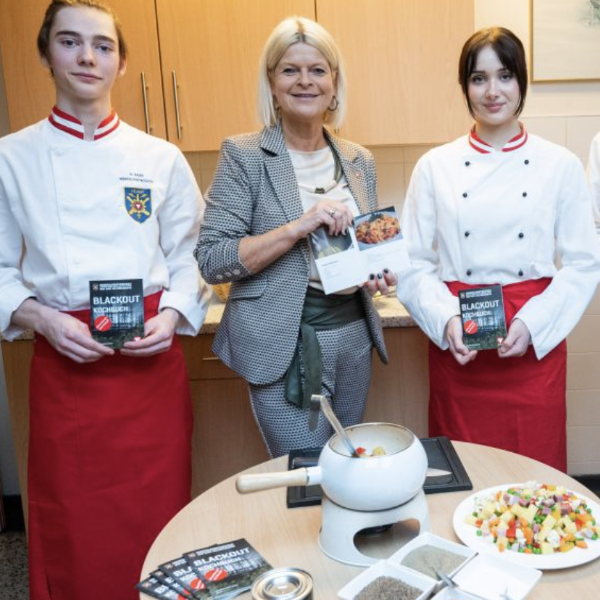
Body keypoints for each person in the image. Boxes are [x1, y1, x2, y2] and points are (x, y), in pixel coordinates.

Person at [0, 1, 210, 598]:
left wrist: (173, 314)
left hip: (150, 369)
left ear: (121, 64)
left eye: (103, 45)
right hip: (66, 367)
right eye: (70, 42)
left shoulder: (159, 158)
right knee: (74, 523)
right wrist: (42, 318)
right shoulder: (11, 158)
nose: (87, 57)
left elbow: (192, 257)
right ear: (46, 54)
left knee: (159, 513)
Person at [397, 27, 600, 472]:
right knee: (463, 470)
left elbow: (584, 264)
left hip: (533, 342)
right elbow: (411, 262)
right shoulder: (435, 166)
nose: (492, 91)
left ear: (521, 81)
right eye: (479, 78)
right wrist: (446, 319)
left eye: (505, 76)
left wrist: (533, 322)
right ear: (464, 86)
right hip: (461, 347)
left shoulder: (560, 165)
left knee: (534, 475)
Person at [194, 16, 396, 458]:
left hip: (354, 337)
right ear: (272, 82)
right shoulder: (244, 155)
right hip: (284, 342)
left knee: (347, 467)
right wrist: (297, 227)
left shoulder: (358, 160)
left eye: (317, 70)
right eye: (290, 70)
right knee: (305, 471)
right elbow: (212, 259)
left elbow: (364, 248)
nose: (305, 81)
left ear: (334, 81)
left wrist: (377, 273)